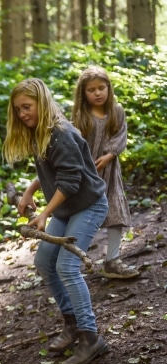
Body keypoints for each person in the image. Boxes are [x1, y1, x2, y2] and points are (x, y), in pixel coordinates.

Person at [3, 78, 109, 364]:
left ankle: (91, 338)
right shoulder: (40, 133)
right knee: (45, 261)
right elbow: (49, 169)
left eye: (27, 107)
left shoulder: (61, 132)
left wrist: (44, 213)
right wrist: (28, 192)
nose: (23, 114)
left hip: (88, 205)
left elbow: (71, 180)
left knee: (67, 266)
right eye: (18, 110)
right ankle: (72, 323)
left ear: (42, 102)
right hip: (66, 210)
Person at [72, 66, 139, 279]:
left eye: (102, 88)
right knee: (82, 215)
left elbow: (121, 135)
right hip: (87, 174)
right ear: (83, 93)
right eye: (91, 90)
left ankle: (112, 260)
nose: (98, 93)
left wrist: (110, 154)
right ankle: (70, 261)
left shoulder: (116, 112)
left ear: (109, 88)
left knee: (116, 212)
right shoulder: (81, 116)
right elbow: (73, 143)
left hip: (110, 173)